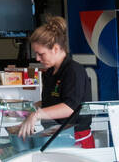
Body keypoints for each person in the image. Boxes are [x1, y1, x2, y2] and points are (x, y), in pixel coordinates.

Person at [15, 16, 94, 148]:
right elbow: (50, 102)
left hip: (77, 137)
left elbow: (69, 108)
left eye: (41, 54)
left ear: (56, 49)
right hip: (58, 135)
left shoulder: (73, 71)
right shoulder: (50, 73)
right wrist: (26, 109)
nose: (37, 58)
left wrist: (36, 115)